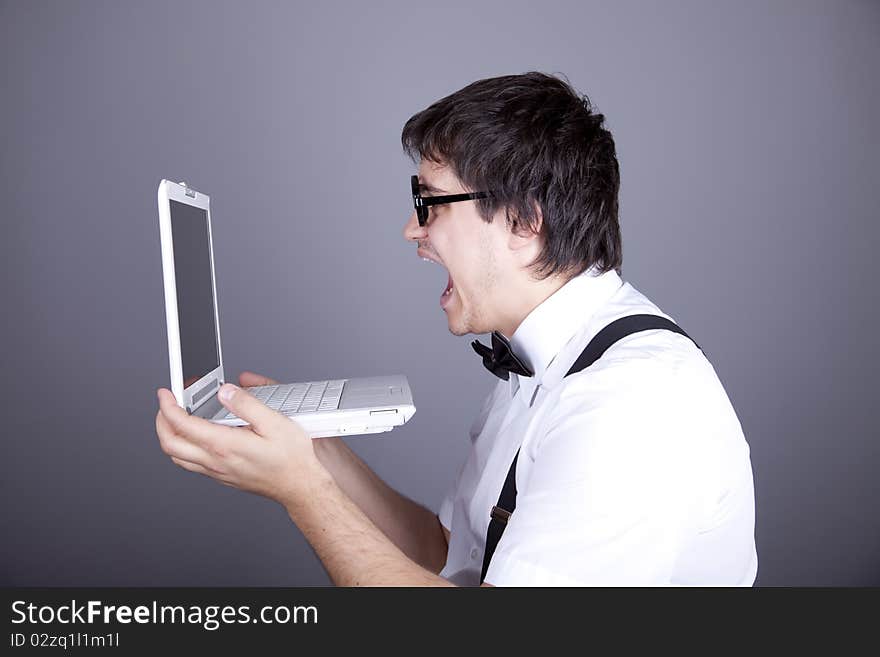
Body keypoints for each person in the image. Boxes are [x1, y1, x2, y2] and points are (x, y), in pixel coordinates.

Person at [155, 72, 758, 586]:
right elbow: (450, 556)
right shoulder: (540, 362)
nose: (413, 230)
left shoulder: (629, 404)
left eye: (431, 202)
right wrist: (313, 453)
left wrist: (302, 492)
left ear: (524, 221)